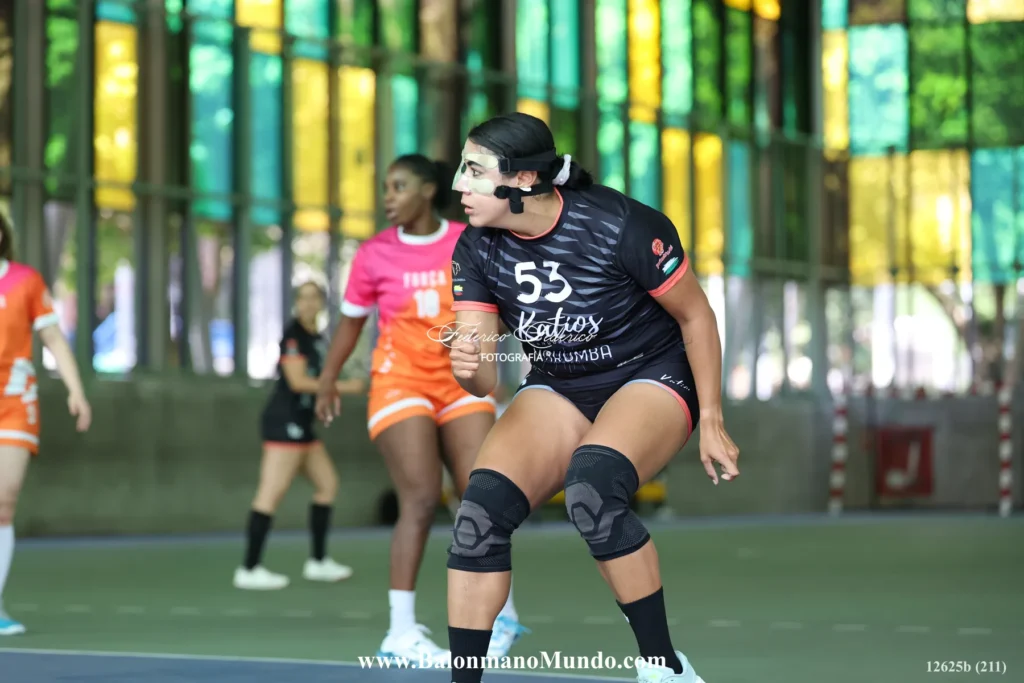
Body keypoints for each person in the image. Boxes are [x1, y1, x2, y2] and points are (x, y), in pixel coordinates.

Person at [443, 112, 740, 683]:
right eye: (463, 167)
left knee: (593, 489)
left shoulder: (621, 224)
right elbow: (483, 381)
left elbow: (696, 316)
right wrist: (468, 368)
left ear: (524, 179)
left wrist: (712, 418)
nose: (459, 183)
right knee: (478, 517)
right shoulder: (476, 248)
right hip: (560, 383)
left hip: (650, 372)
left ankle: (664, 668)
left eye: (475, 170)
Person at [315, 154, 528, 665]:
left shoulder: (468, 240)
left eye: (400, 186)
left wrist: (487, 353)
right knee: (421, 497)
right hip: (400, 381)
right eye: (386, 188)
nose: (389, 197)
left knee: (483, 496)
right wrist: (327, 380)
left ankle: (503, 616)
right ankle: (400, 632)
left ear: (429, 190)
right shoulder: (373, 254)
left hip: (459, 381)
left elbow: (499, 309)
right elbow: (350, 323)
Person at [233, 281, 361, 590]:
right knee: (270, 493)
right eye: (303, 298)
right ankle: (249, 568)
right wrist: (347, 387)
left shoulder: (318, 338)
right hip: (284, 423)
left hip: (304, 425)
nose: (308, 303)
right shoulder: (293, 336)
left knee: (327, 484)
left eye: (314, 297)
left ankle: (318, 561)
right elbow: (298, 381)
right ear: (296, 303)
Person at [0, 213, 92, 635]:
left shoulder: (25, 281)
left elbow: (54, 339)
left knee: (4, 501)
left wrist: (76, 391)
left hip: (15, 402)